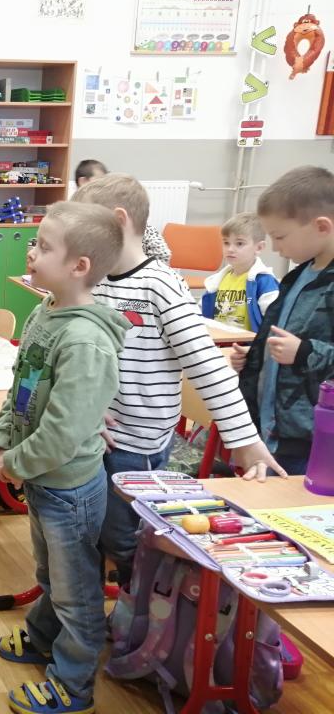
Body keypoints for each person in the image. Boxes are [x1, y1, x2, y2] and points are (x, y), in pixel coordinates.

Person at [72, 173, 286, 588]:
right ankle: (100, 612)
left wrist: (245, 441)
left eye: (85, 225)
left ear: (118, 221)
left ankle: (145, 610)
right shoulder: (94, 280)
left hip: (136, 446)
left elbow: (208, 368)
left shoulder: (161, 286)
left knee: (125, 538)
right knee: (94, 532)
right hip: (92, 436)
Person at [0, 201, 129, 714]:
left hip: (68, 489)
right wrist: (4, 439)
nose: (31, 252)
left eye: (45, 247)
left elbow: (63, 432)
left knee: (77, 594)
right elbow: (19, 388)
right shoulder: (44, 312)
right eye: (35, 242)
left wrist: (15, 463)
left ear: (79, 266)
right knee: (50, 575)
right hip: (42, 480)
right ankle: (42, 637)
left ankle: (72, 685)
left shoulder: (86, 341)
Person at [233, 166, 334, 475]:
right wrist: (256, 357)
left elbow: (303, 349)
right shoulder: (298, 276)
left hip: (311, 438)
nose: (276, 248)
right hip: (273, 425)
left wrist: (304, 352)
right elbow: (283, 335)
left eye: (280, 237)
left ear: (321, 226)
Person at [74, 159, 171, 264]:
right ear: (83, 182)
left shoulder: (128, 221)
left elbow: (162, 253)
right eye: (99, 180)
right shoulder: (74, 218)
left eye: (104, 180)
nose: (102, 185)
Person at [201, 212, 280, 331]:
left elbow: (275, 322)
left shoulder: (264, 281)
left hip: (247, 342)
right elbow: (200, 314)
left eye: (239, 243)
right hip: (218, 339)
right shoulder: (216, 281)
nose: (230, 249)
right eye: (226, 243)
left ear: (259, 247)